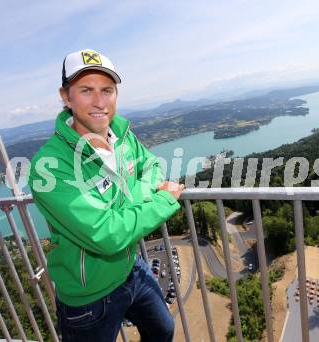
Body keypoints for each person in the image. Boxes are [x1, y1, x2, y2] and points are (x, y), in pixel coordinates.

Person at [29, 48, 184, 342]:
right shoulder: (50, 165)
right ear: (66, 96)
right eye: (86, 90)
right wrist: (163, 200)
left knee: (163, 330)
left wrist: (130, 200)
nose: (100, 102)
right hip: (87, 297)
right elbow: (107, 234)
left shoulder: (122, 135)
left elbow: (151, 165)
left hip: (130, 267)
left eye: (107, 90)